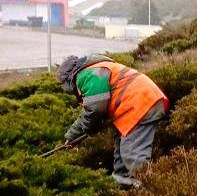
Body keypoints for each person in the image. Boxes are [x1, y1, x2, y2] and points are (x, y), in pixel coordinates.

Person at [56, 53, 169, 187]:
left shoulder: (89, 75)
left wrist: (73, 134)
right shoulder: (96, 69)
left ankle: (151, 192)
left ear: (69, 79)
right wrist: (75, 136)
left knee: (132, 153)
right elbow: (97, 110)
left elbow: (95, 110)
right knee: (122, 149)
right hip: (138, 104)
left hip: (139, 104)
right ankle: (122, 186)